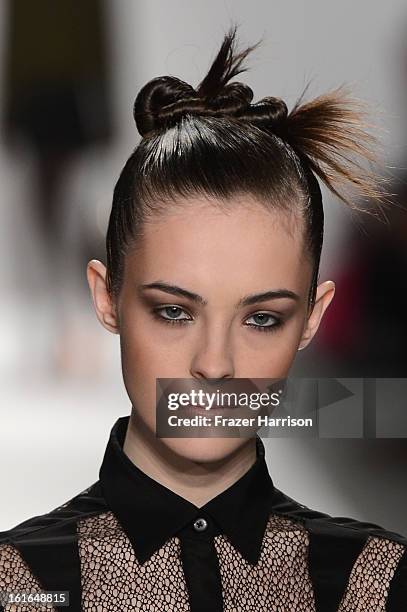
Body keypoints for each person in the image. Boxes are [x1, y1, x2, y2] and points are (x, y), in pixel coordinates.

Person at [1, 25, 406, 612]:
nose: (214, 365)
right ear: (107, 296)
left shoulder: (372, 587)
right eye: (174, 311)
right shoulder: (20, 588)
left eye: (262, 318)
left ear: (313, 319)